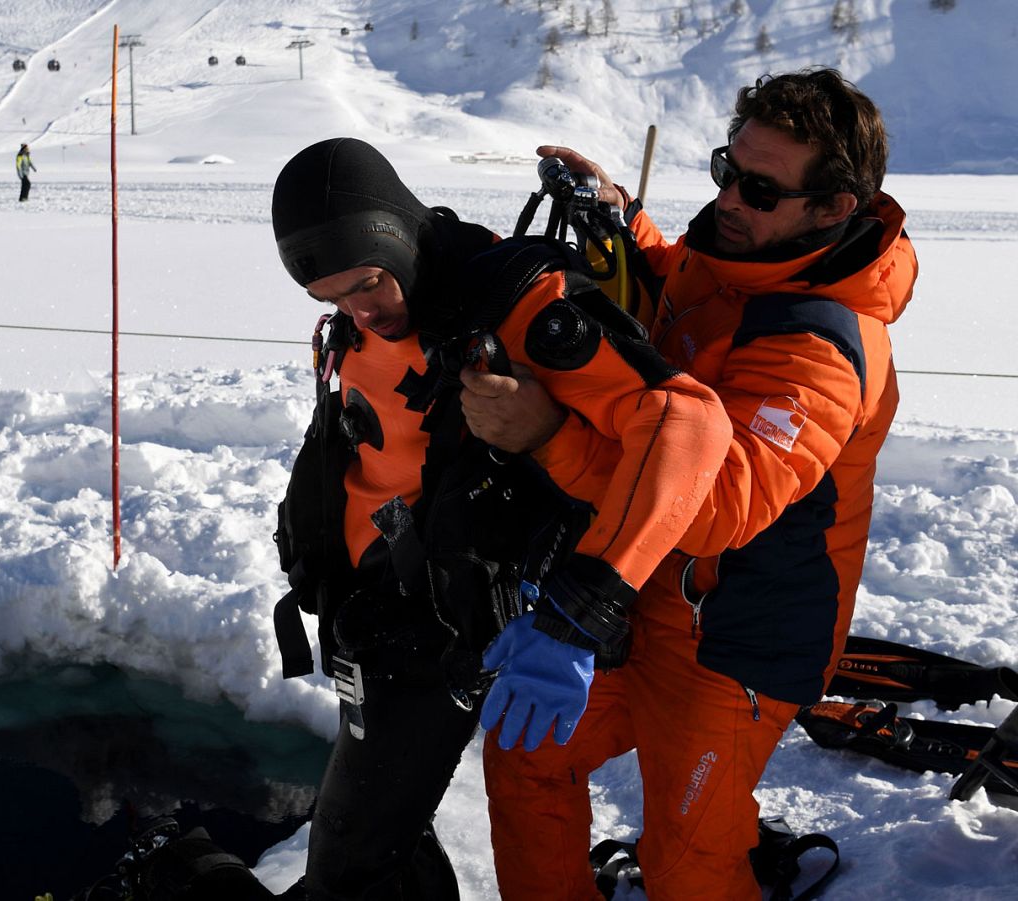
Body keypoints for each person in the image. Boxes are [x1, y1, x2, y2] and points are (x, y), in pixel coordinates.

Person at [467, 68, 918, 900]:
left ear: (833, 208)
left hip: (738, 638)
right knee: (526, 753)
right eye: (725, 169)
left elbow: (711, 510)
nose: (729, 199)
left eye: (759, 188)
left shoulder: (820, 353)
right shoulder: (740, 253)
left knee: (686, 863)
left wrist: (547, 434)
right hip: (640, 593)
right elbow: (677, 280)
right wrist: (620, 219)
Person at [269, 137, 733, 900]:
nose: (359, 311)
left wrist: (583, 609)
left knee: (350, 866)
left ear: (396, 233)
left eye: (367, 284)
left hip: (439, 635)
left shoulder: (519, 304)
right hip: (373, 615)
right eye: (333, 300)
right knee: (380, 840)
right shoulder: (372, 310)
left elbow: (687, 420)